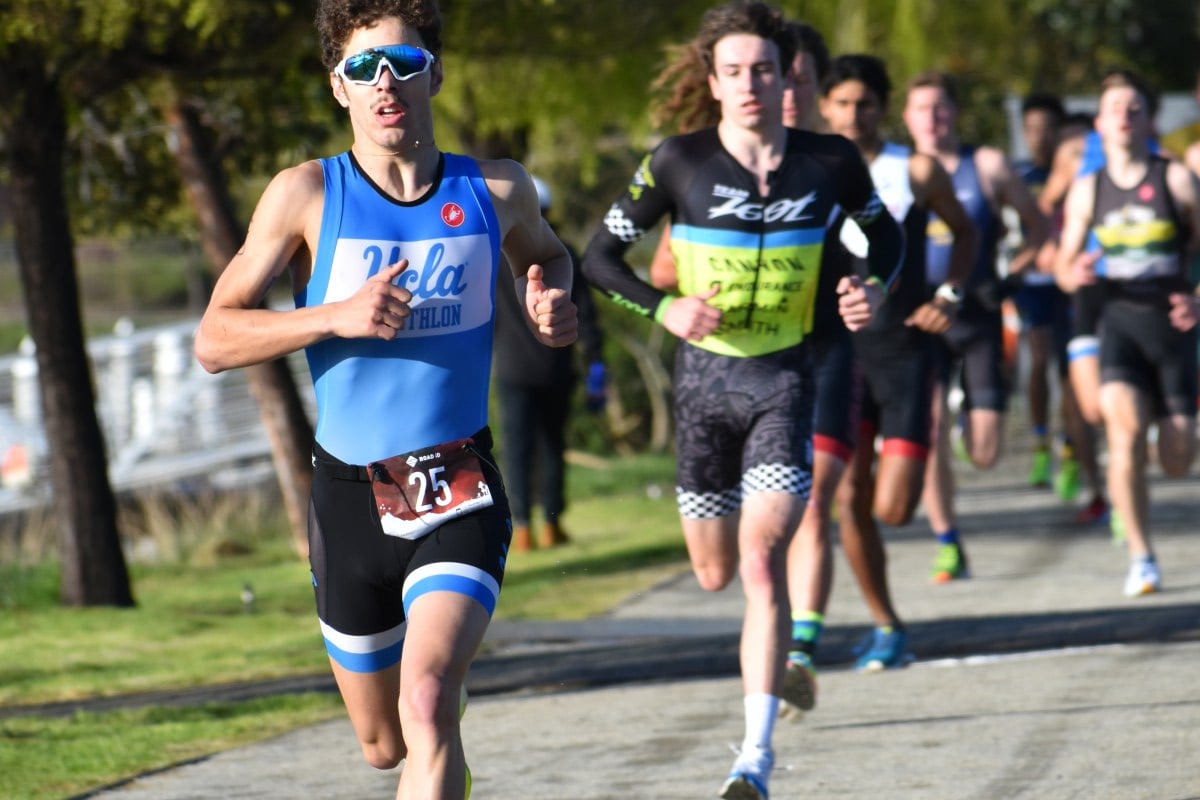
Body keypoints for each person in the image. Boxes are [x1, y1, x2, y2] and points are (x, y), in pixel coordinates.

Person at [192, 1, 579, 797]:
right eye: (364, 67)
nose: (385, 81)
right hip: (346, 497)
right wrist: (335, 317)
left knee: (428, 699)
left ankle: (436, 705)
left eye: (402, 62)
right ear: (339, 87)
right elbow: (214, 339)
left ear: (433, 72)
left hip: (456, 480)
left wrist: (549, 301)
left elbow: (548, 258)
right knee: (383, 744)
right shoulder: (305, 194)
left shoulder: (498, 189)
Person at [582, 3, 902, 797]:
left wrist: (869, 286)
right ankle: (758, 729)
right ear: (714, 81)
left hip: (783, 382)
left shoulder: (829, 162)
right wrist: (664, 308)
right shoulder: (680, 163)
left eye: (766, 69)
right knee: (715, 571)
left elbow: (887, 239)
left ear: (787, 75)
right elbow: (599, 257)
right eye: (734, 71)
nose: (752, 84)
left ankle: (753, 759)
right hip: (703, 389)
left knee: (763, 563)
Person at [818, 54, 975, 669]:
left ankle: (889, 613)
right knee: (848, 496)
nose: (854, 115)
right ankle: (887, 625)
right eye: (843, 104)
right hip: (840, 354)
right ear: (825, 108)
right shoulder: (811, 173)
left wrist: (951, 295)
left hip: (905, 349)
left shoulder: (914, 169)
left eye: (866, 104)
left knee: (894, 508)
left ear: (883, 108)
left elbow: (965, 233)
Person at [1054, 68, 1200, 596]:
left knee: (1179, 461)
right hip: (1118, 324)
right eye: (1115, 108)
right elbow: (1063, 261)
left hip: (1172, 328)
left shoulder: (1177, 178)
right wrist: (1073, 272)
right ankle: (1141, 556)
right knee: (1125, 435)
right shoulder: (1088, 188)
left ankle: (1175, 426)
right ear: (1099, 123)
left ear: (1150, 121)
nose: (1124, 117)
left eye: (1135, 108)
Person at [903, 70, 1048, 583]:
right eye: (922, 109)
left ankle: (972, 421)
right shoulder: (898, 172)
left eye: (941, 107)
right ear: (907, 117)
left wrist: (1010, 278)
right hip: (921, 321)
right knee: (930, 430)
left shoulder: (985, 165)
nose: (933, 118)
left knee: (985, 452)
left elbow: (1038, 225)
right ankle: (947, 541)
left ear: (955, 113)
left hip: (979, 313)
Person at [492, 176, 605, 552]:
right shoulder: (565, 256)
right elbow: (587, 319)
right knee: (552, 446)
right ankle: (552, 524)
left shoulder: (494, 259)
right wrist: (595, 368)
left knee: (517, 449)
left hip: (510, 369)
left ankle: (521, 527)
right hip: (556, 367)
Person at [1036, 110, 1111, 525]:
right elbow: (1045, 205)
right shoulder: (1074, 153)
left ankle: (1117, 479)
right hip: (1083, 285)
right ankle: (1096, 487)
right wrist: (1056, 247)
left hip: (1136, 288)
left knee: (1123, 393)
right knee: (1080, 397)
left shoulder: (1153, 151)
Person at [1008, 93, 1074, 490]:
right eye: (1032, 130)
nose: (1040, 138)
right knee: (1039, 356)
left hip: (1069, 283)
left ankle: (1070, 448)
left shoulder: (1078, 172)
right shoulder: (1018, 176)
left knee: (1070, 368)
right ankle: (1040, 444)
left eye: (1048, 129)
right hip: (1032, 284)